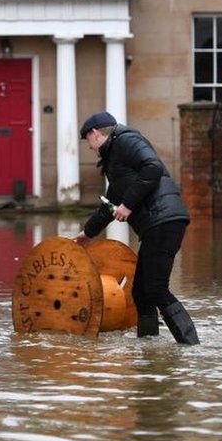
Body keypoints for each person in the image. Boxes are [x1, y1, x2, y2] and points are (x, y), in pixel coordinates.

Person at [73, 111, 199, 345]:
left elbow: (152, 168)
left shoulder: (126, 139)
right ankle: (149, 348)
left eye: (88, 142)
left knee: (156, 289)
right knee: (141, 293)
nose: (90, 148)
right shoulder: (115, 158)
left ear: (95, 133)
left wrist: (128, 204)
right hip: (157, 224)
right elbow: (109, 205)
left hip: (165, 221)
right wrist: (87, 234)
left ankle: (191, 347)